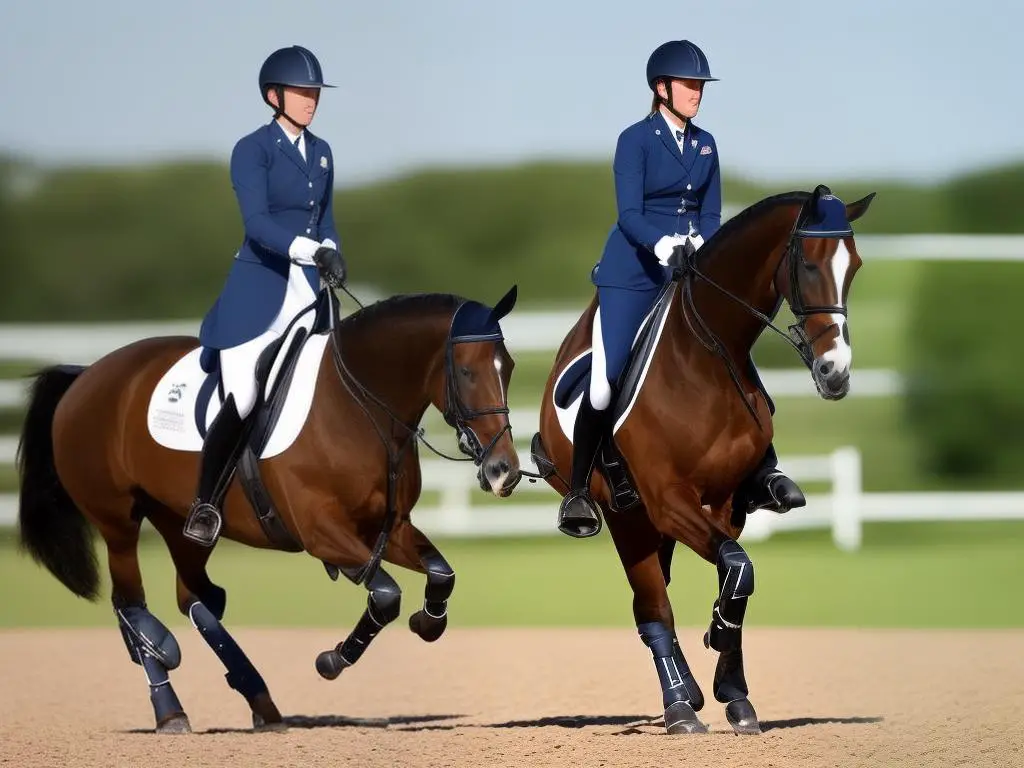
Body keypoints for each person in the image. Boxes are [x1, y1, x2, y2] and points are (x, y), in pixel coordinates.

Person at [557, 39, 805, 537]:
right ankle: (581, 490)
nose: (698, 94)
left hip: (689, 271)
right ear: (662, 88)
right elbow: (628, 215)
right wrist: (664, 243)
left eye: (700, 86)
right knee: (607, 379)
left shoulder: (706, 143)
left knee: (730, 352)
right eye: (690, 85)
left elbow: (711, 212)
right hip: (632, 274)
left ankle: (764, 472)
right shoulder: (636, 140)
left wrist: (702, 241)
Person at [183, 45, 348, 547]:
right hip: (258, 295)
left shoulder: (321, 151)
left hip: (308, 295)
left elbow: (327, 219)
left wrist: (333, 250)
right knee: (247, 394)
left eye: (315, 92)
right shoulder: (251, 149)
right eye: (302, 92)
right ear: (273, 96)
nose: (311, 100)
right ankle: (206, 504)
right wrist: (310, 250)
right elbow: (256, 225)